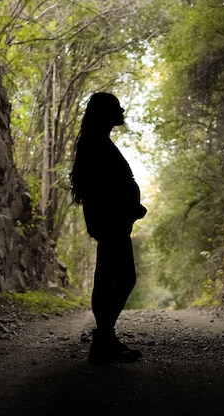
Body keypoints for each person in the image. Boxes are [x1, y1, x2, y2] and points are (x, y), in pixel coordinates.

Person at [70, 92, 147, 364]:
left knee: (108, 276)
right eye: (116, 107)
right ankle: (103, 340)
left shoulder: (97, 141)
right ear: (105, 112)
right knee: (121, 278)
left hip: (113, 220)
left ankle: (105, 339)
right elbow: (101, 188)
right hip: (110, 221)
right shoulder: (95, 143)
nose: (122, 109)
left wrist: (130, 207)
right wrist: (125, 208)